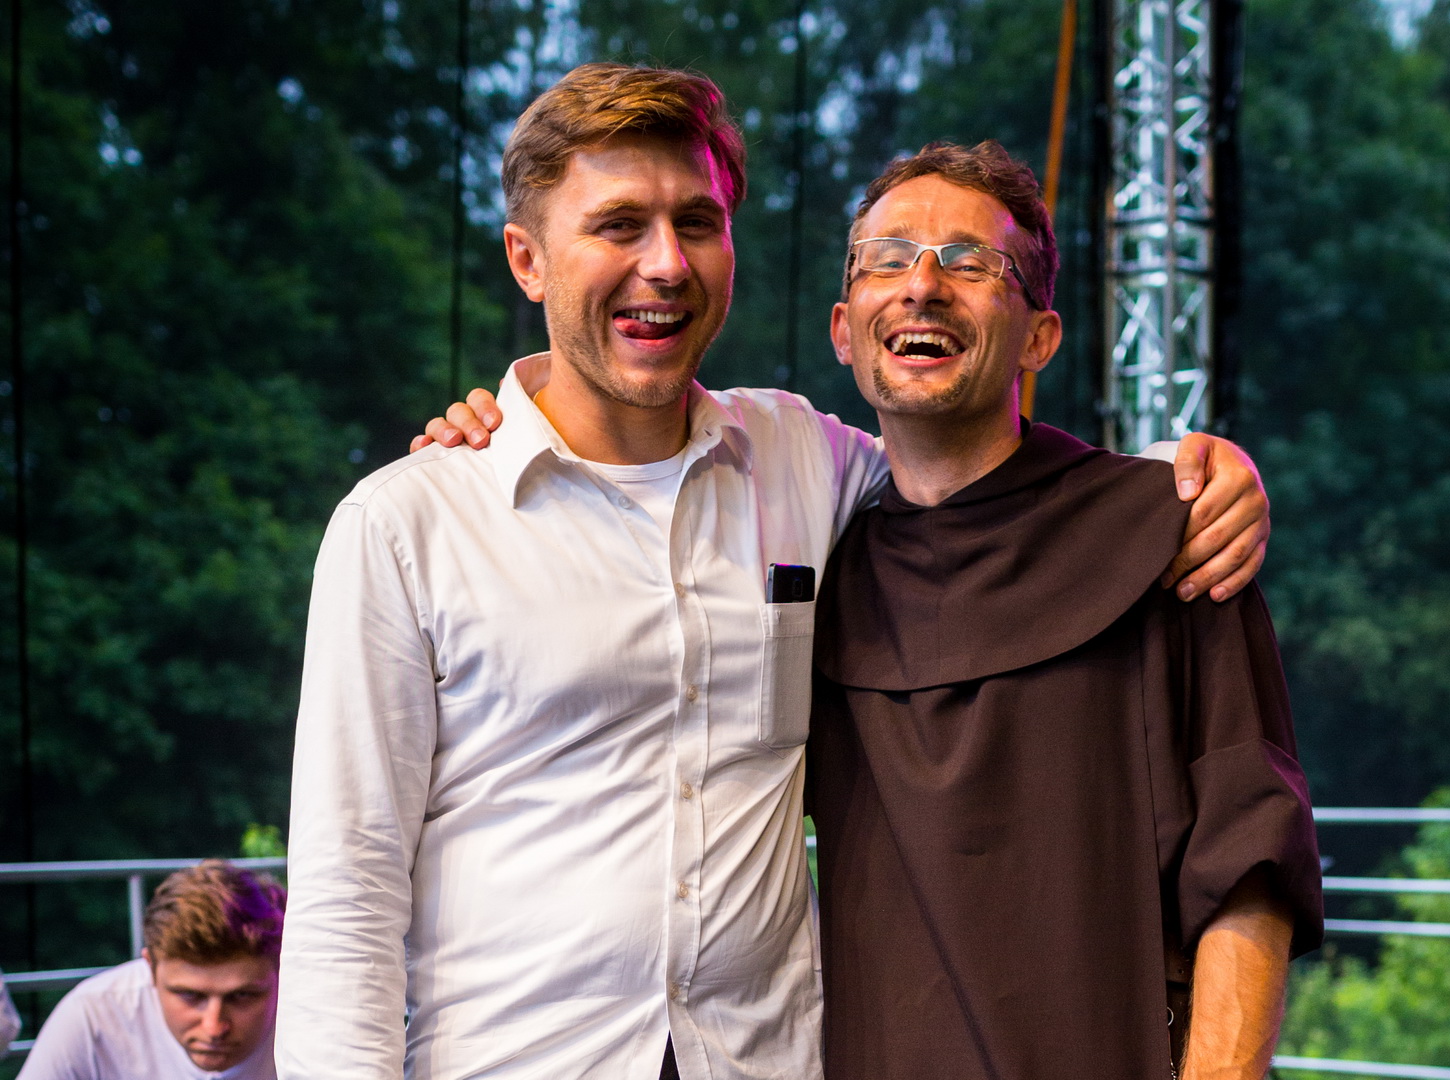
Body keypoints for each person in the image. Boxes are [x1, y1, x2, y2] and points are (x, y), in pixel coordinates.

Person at [288, 64, 1267, 1080]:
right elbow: (347, 890)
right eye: (619, 226)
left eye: (697, 223)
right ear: (527, 259)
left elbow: (974, 467)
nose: (666, 263)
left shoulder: (806, 461)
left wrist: (1188, 475)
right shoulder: (408, 526)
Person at [804, 142, 1323, 1079]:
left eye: (970, 262)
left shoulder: (1172, 533)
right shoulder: (817, 563)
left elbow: (1251, 865)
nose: (922, 286)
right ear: (845, 330)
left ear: (1039, 338)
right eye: (889, 258)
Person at [20, 859, 282, 1080]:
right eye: (189, 995)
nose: (214, 1028)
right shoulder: (93, 1013)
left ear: (281, 972)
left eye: (242, 996)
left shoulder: (303, 1012)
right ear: (151, 968)